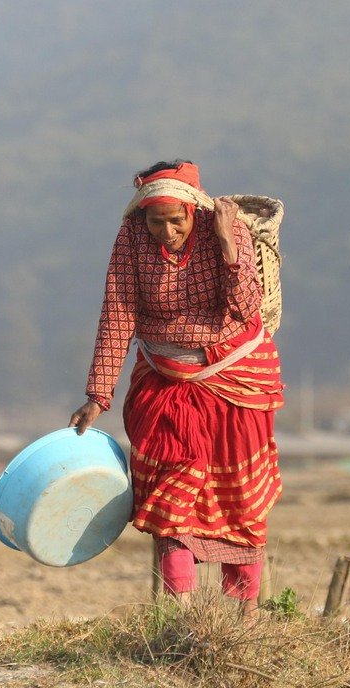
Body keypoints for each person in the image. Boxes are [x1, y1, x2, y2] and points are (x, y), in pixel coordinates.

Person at [69, 160, 283, 615]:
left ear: (193, 211)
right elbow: (119, 311)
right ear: (141, 216)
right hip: (165, 380)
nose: (166, 231)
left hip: (234, 380)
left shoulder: (227, 229)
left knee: (238, 501)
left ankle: (245, 619)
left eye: (176, 220)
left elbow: (245, 308)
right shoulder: (130, 239)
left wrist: (226, 241)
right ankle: (182, 617)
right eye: (155, 221)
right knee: (170, 494)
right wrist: (98, 395)